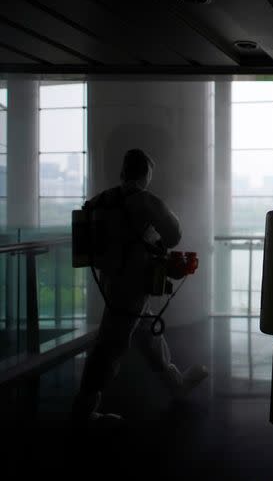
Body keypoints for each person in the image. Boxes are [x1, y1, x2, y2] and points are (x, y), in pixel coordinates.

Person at [71, 148, 208, 425]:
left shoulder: (100, 201)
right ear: (145, 174)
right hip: (134, 283)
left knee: (150, 336)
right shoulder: (145, 201)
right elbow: (173, 234)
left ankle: (176, 383)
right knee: (110, 347)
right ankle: (84, 412)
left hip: (112, 278)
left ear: (123, 172)